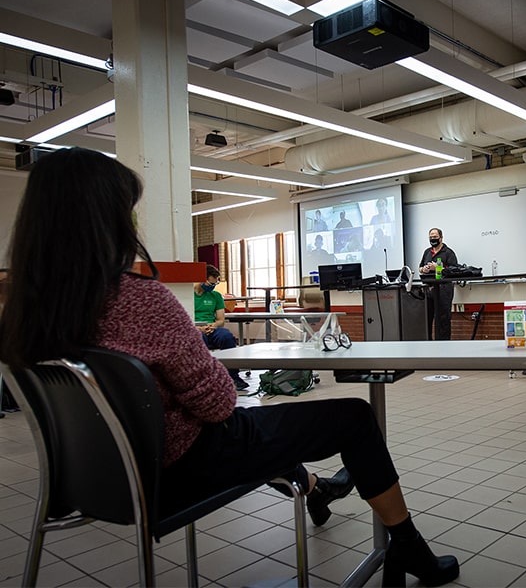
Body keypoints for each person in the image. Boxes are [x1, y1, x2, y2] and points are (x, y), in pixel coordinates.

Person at [0, 148, 460, 586]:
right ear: (106, 220)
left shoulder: (23, 314)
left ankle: (316, 489)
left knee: (269, 429)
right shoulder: (140, 300)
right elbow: (219, 404)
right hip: (182, 470)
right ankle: (407, 547)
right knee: (351, 418)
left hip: (94, 480)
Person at [194, 264, 249, 390]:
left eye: (214, 284)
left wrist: (213, 326)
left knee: (227, 336)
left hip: (212, 328)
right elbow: (183, 320)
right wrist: (198, 328)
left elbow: (221, 320)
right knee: (198, 338)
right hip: (195, 328)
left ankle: (233, 377)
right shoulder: (187, 296)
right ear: (202, 279)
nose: (212, 287)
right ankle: (203, 378)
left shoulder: (216, 296)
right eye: (210, 283)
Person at [418, 228, 458, 341]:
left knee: (443, 319)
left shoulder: (448, 252)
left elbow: (454, 270)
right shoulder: (427, 252)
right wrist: (424, 269)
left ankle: (444, 346)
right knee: (427, 318)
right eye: (430, 237)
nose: (432, 239)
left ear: (441, 238)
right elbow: (420, 267)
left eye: (435, 237)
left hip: (443, 290)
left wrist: (438, 268)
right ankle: (429, 345)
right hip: (429, 289)